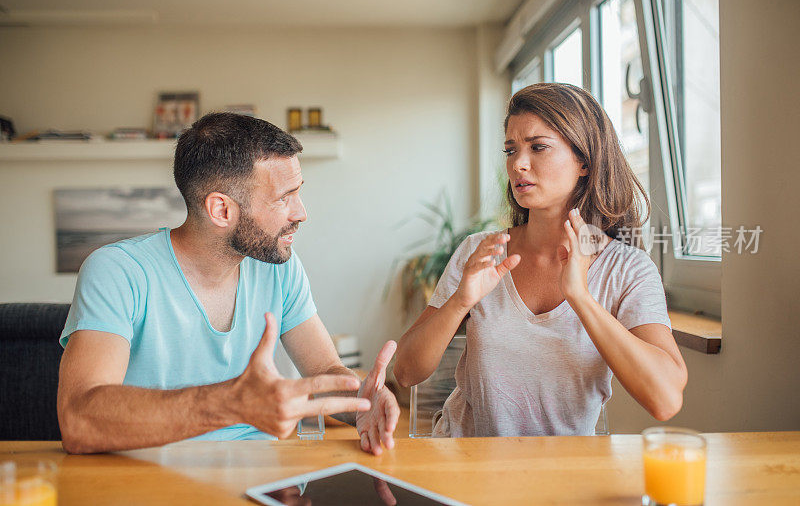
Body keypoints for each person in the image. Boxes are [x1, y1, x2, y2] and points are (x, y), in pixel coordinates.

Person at [57, 113, 399, 454]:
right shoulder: (117, 271)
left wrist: (362, 399)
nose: (301, 213)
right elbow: (79, 419)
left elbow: (324, 371)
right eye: (284, 197)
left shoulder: (279, 268)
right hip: (147, 481)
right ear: (221, 210)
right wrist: (233, 403)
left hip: (261, 479)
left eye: (299, 193)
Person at [394, 83, 688, 437]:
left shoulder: (627, 269)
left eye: (538, 147)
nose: (518, 164)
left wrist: (580, 297)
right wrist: (460, 302)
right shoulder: (481, 252)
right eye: (510, 149)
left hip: (562, 475)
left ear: (583, 160)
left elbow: (665, 399)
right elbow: (406, 372)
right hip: (468, 465)